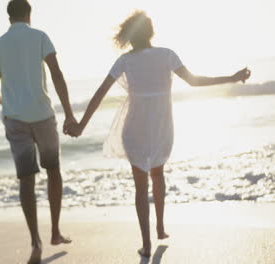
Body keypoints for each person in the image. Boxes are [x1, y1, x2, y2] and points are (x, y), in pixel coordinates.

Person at [65, 11, 251, 258]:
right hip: (162, 127)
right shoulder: (166, 55)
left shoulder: (125, 61)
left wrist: (81, 125)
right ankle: (160, 227)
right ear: (151, 32)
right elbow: (194, 82)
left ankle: (147, 243)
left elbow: (100, 93)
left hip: (134, 130)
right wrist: (231, 77)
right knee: (158, 174)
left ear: (129, 36)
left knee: (140, 187)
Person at [0, 1, 74, 263]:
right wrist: (69, 113)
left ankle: (35, 243)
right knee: (53, 170)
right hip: (43, 116)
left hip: (15, 120)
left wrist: (9, 103)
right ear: (29, 14)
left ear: (9, 17)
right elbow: (56, 74)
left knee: (26, 180)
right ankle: (55, 232)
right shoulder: (40, 37)